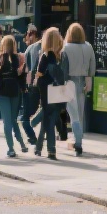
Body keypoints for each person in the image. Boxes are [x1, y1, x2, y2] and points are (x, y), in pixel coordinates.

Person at [60, 23, 96, 157]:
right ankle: (78, 139)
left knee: (73, 113)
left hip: (70, 81)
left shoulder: (66, 48)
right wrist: (89, 79)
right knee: (80, 113)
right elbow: (93, 65)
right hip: (83, 81)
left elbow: (64, 68)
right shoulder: (88, 46)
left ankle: (78, 143)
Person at [0, 34, 27, 157]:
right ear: (14, 45)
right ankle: (21, 143)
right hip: (15, 90)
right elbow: (22, 73)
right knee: (13, 119)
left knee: (7, 121)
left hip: (2, 91)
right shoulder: (19, 57)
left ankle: (11, 148)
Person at [34, 28, 67, 160]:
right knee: (49, 120)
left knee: (48, 120)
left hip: (47, 92)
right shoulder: (61, 56)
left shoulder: (46, 55)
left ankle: (51, 150)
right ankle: (38, 147)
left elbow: (40, 73)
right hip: (59, 92)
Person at [18, 27, 43, 147]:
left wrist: (27, 85)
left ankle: (32, 135)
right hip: (46, 84)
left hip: (33, 84)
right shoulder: (49, 48)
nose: (27, 37)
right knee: (48, 108)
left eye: (28, 34)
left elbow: (26, 69)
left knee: (26, 115)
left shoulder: (31, 48)